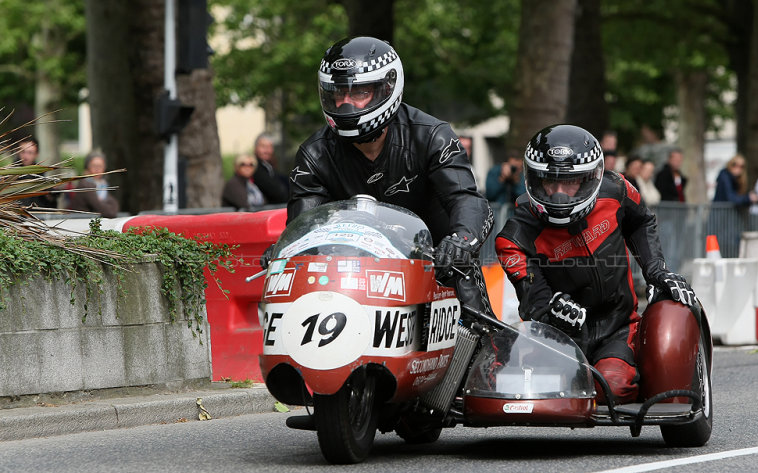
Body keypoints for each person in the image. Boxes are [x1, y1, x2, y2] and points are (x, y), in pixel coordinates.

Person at [274, 36, 494, 315]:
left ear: (387, 87)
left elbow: (466, 199)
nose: (346, 104)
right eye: (338, 94)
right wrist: (287, 250)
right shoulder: (314, 155)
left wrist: (461, 241)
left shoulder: (432, 136)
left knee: (472, 307)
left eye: (358, 92)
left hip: (437, 263)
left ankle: (484, 348)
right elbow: (305, 226)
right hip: (353, 273)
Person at [495, 124, 696, 404]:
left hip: (617, 325)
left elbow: (642, 221)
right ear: (534, 180)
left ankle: (642, 367)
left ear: (591, 178)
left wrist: (656, 271)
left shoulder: (616, 189)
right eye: (549, 182)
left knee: (610, 387)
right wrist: (552, 309)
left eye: (571, 182)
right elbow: (532, 301)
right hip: (559, 338)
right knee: (555, 391)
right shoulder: (514, 236)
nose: (559, 194)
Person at [66, 151, 119, 218]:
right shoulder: (85, 185)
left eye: (100, 166)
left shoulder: (103, 185)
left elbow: (114, 205)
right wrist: (108, 206)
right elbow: (108, 212)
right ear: (87, 167)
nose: (97, 169)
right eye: (94, 166)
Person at [14, 137, 57, 209]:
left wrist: (50, 196)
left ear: (36, 154)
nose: (25, 156)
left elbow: (51, 206)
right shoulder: (10, 174)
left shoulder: (42, 174)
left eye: (30, 152)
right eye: (23, 151)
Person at [252, 133, 289, 204]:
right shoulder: (254, 166)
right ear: (255, 148)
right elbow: (277, 193)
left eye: (270, 147)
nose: (267, 151)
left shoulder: (268, 165)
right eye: (263, 146)